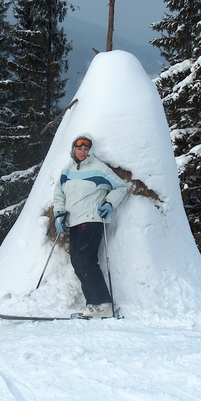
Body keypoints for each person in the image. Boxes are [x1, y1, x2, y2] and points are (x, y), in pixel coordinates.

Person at [53, 134, 128, 318]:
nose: (82, 151)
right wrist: (59, 214)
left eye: (86, 149)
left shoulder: (99, 168)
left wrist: (109, 203)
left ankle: (103, 303)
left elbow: (121, 186)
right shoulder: (66, 171)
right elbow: (59, 195)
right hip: (74, 221)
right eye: (79, 148)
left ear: (90, 151)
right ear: (73, 149)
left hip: (92, 219)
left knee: (86, 261)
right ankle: (94, 304)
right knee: (77, 262)